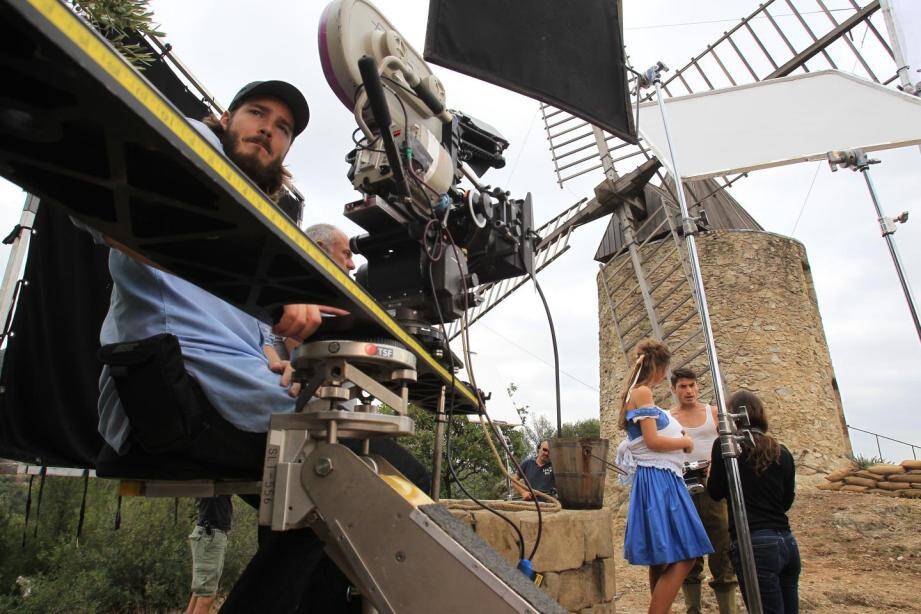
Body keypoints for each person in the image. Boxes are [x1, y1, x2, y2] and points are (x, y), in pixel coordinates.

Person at [78, 80, 427, 612]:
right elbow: (102, 208)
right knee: (354, 480)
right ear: (226, 117)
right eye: (257, 113)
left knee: (347, 498)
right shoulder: (190, 149)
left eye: (283, 127)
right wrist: (268, 296)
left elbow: (263, 336)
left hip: (237, 392)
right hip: (167, 392)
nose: (268, 128)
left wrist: (282, 353)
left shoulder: (262, 220)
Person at [616, 339, 713, 614]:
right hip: (660, 481)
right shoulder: (643, 392)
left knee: (660, 558)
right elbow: (652, 440)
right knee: (687, 556)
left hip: (656, 479)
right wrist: (685, 442)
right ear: (659, 366)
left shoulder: (633, 393)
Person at [707, 390, 799, 614]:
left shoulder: (727, 447)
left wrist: (712, 468)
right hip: (786, 542)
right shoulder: (782, 451)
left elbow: (715, 492)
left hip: (754, 543)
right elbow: (786, 501)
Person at [669, 368, 739, 614]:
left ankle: (728, 609)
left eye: (691, 385)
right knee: (689, 553)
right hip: (683, 489)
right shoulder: (668, 418)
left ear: (698, 387)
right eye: (682, 386)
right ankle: (692, 609)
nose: (688, 391)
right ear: (674, 390)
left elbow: (732, 445)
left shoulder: (713, 413)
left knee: (722, 548)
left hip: (714, 489)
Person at [186, 496, 232, 614]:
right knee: (206, 597)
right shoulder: (216, 482)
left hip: (209, 535)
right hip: (210, 535)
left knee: (200, 592)